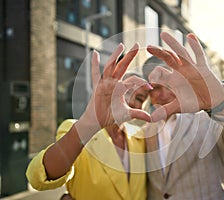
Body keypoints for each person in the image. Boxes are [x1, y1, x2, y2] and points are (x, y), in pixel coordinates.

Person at [141, 32, 224, 199]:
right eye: (154, 88)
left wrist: (220, 101)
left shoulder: (209, 119)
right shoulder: (145, 132)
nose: (162, 93)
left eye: (168, 82)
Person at [26, 43, 152, 200]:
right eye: (126, 92)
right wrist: (89, 124)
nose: (130, 100)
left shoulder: (140, 139)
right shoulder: (76, 129)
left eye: (139, 98)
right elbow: (39, 178)